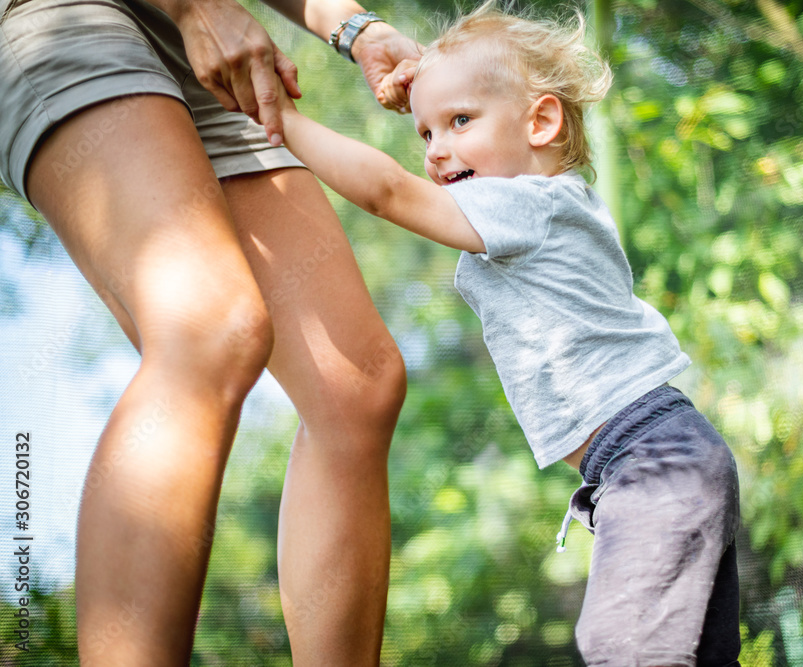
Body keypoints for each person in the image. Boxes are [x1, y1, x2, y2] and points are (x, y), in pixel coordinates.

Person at [276, 3, 743, 665]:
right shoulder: (557, 203)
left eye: (460, 121)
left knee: (623, 645)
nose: (438, 150)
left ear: (541, 121)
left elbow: (386, 191)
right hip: (661, 457)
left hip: (651, 459)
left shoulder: (525, 203)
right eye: (426, 133)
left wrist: (280, 120)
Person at [0, 0, 419, 663]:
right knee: (209, 325)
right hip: (62, 13)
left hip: (188, 42)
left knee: (356, 385)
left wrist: (354, 27)